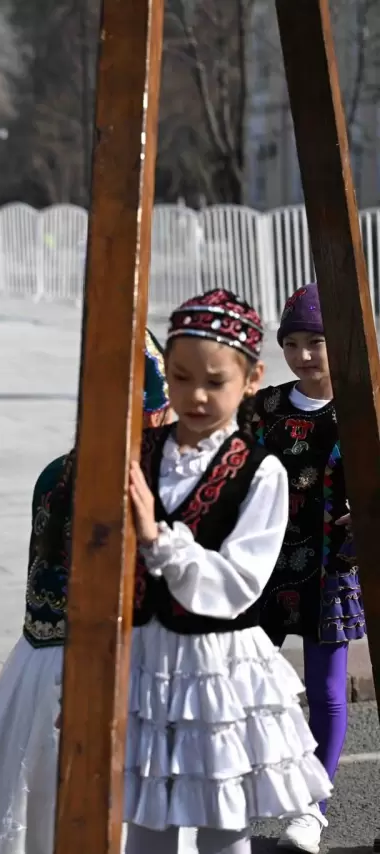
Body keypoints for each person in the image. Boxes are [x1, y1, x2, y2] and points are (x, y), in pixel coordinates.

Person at [0, 331, 172, 854]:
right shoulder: (141, 482)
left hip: (36, 660)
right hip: (97, 662)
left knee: (24, 796)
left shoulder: (56, 472)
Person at [123, 289, 331, 854]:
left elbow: (238, 585)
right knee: (146, 820)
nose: (195, 395)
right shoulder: (139, 453)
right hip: (145, 660)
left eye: (215, 382)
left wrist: (155, 539)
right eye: (182, 377)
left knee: (222, 821)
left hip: (217, 667)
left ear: (251, 377)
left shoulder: (261, 473)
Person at [243, 283, 362, 853]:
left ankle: (312, 808)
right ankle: (235, 797)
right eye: (291, 342)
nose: (302, 355)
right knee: (244, 682)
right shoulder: (265, 407)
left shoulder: (365, 409)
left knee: (327, 691)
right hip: (260, 569)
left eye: (314, 341)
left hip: (331, 570)